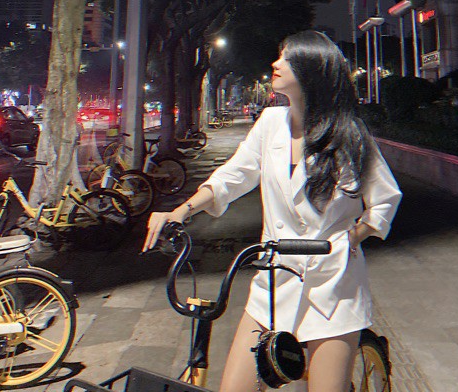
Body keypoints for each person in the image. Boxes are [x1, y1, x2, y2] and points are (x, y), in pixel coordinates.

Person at [143, 30, 401, 392]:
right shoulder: (269, 123)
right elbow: (232, 176)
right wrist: (181, 211)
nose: (275, 63)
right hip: (274, 282)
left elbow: (386, 197)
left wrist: (351, 239)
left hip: (332, 284)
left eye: (286, 58)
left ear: (311, 71)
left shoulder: (349, 133)